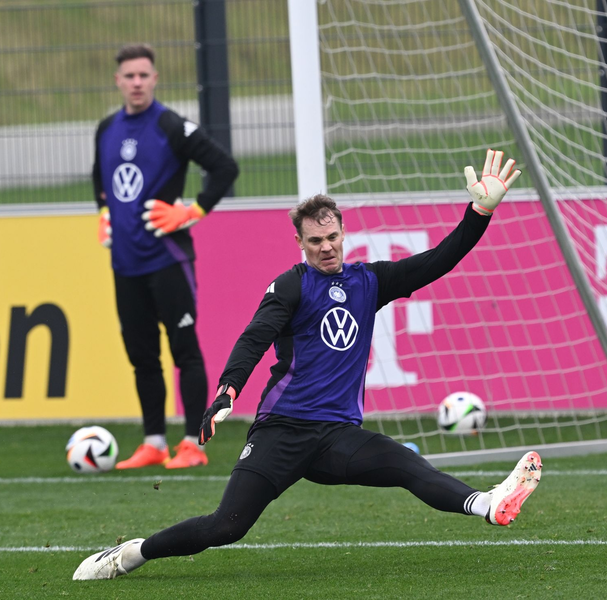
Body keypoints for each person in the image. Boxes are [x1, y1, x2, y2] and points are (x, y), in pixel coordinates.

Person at [73, 149, 541, 580]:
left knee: (406, 465)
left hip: (337, 436)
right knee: (225, 527)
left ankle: (487, 503)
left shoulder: (369, 281)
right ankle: (131, 554)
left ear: (343, 233)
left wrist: (480, 213)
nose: (326, 247)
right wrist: (227, 391)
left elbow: (440, 259)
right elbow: (254, 338)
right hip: (283, 430)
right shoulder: (291, 286)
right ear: (300, 241)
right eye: (315, 240)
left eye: (332, 236)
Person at [93, 43, 239, 470]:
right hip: (125, 265)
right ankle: (154, 441)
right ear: (118, 81)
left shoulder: (171, 124)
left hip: (168, 260)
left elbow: (225, 167)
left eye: (144, 75)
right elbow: (98, 179)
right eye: (129, 76)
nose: (136, 82)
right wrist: (103, 213)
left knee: (185, 353)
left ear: (154, 79)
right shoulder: (105, 129)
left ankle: (193, 443)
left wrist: (191, 211)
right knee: (142, 357)